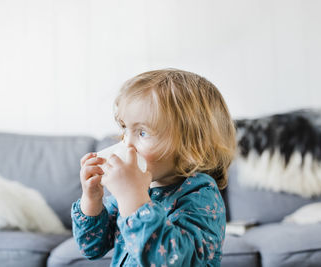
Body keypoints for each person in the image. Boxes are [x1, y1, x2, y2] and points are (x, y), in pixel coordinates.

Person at [71, 68, 236, 266]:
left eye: (142, 132)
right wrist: (92, 199)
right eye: (125, 128)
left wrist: (133, 197)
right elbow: (92, 247)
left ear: (190, 145)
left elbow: (169, 260)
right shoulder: (137, 186)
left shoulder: (200, 194)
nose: (127, 144)